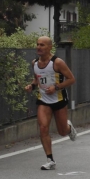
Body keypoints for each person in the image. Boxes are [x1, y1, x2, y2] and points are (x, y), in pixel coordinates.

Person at [25, 36, 77, 170]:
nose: (38, 47)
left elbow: (71, 79)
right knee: (43, 128)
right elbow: (37, 79)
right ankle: (50, 160)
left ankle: (69, 128)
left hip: (58, 99)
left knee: (62, 132)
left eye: (42, 45)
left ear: (49, 47)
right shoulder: (34, 63)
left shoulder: (57, 62)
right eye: (37, 44)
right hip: (43, 100)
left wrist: (56, 87)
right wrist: (32, 85)